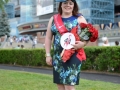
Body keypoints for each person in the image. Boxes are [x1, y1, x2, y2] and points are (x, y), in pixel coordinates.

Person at [45, 0, 98, 90]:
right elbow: (48, 38)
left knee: (69, 86)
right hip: (58, 56)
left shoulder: (79, 18)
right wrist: (48, 54)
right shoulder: (53, 19)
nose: (68, 5)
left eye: (70, 3)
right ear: (61, 5)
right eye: (65, 3)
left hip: (73, 54)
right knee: (60, 85)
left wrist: (82, 44)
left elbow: (87, 35)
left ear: (74, 5)